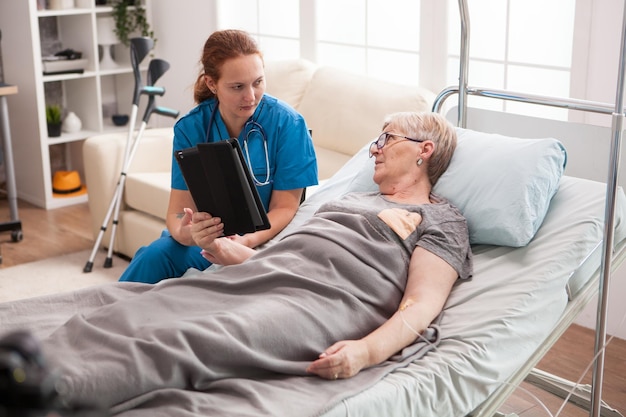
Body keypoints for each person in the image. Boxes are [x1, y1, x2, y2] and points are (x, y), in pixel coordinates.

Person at [0, 112, 472, 414]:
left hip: (321, 304)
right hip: (266, 277)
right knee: (126, 303)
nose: (375, 148)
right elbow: (289, 257)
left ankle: (48, 389)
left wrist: (365, 353)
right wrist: (238, 255)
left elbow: (421, 303)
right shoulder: (346, 201)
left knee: (189, 336)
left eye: (385, 139)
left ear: (423, 150)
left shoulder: (440, 219)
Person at [118, 29, 318, 284]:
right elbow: (178, 214)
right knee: (153, 256)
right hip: (209, 242)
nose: (251, 96)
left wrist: (243, 241)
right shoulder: (191, 129)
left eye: (258, 82)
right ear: (212, 83)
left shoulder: (288, 124)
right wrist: (192, 234)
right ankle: (101, 318)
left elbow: (285, 207)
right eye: (237, 87)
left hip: (265, 240)